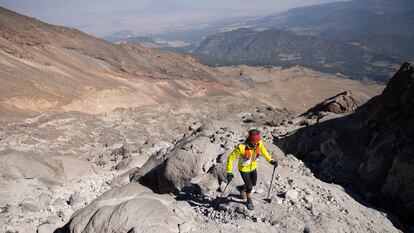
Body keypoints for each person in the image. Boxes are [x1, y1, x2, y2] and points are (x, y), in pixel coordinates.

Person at [226, 129, 278, 210]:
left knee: (253, 183)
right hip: (244, 169)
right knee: (250, 187)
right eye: (255, 141)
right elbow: (230, 158)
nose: (257, 143)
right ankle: (248, 200)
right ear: (250, 140)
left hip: (253, 167)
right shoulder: (241, 148)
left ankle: (242, 188)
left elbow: (264, 151)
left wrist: (270, 160)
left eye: (258, 141)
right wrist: (229, 172)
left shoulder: (259, 144)